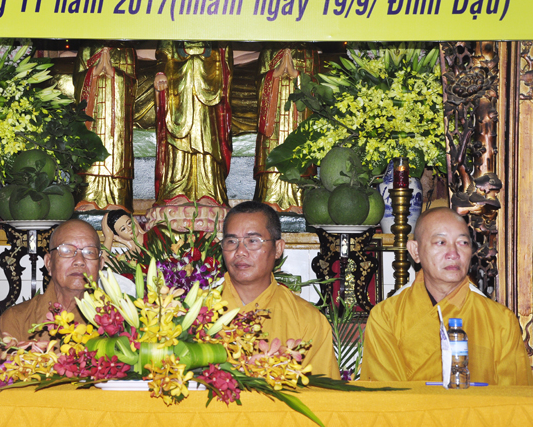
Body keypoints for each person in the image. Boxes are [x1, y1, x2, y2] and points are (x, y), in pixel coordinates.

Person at [360, 207, 533, 385]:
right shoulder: (386, 317)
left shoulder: (501, 321)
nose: (453, 254)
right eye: (441, 242)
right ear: (415, 251)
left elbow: (514, 397)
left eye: (463, 243)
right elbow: (385, 396)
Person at [220, 201, 340, 379]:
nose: (240, 252)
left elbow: (323, 392)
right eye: (231, 241)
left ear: (278, 249)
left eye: (252, 241)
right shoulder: (199, 313)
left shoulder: (307, 320)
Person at [153, 40, 232, 206]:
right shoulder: (172, 28)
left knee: (207, 139)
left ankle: (209, 191)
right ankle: (176, 190)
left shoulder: (216, 30)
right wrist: (160, 72)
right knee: (178, 141)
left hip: (209, 86)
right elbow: (163, 53)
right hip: (177, 88)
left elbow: (224, 54)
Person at [0, 219, 102, 342]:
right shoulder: (17, 319)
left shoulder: (114, 320)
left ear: (100, 265)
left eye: (89, 252)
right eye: (67, 250)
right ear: (49, 263)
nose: (79, 261)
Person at [254, 44, 319, 212]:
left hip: (298, 117)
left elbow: (316, 85)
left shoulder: (308, 50)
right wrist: (274, 75)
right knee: (271, 153)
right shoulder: (269, 48)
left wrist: (297, 75)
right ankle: (270, 198)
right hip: (274, 118)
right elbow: (258, 82)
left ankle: (299, 200)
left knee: (299, 150)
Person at [73, 41, 137, 212]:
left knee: (116, 151)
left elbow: (133, 83)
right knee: (88, 153)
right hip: (92, 113)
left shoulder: (126, 49)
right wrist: (93, 72)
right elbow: (76, 80)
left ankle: (117, 199)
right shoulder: (87, 47)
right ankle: (87, 197)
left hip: (117, 117)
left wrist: (113, 73)